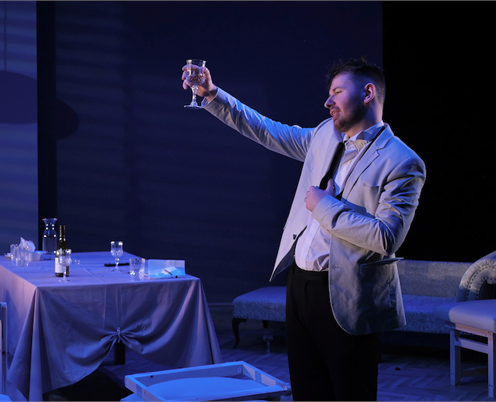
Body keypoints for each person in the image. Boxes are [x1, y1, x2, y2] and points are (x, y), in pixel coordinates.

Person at [182, 57, 426, 400]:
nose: (328, 101)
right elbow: (268, 131)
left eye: (337, 92)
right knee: (308, 392)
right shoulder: (325, 133)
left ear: (368, 93)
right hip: (300, 286)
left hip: (349, 294)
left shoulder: (403, 161)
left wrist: (324, 206)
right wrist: (212, 94)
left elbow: (386, 237)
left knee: (350, 393)